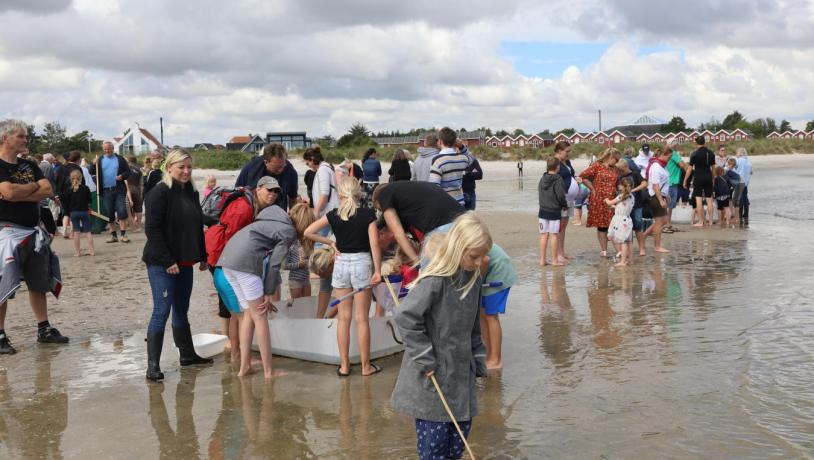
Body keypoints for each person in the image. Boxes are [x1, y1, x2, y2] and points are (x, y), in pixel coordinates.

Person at [390, 212, 489, 460]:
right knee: (434, 448)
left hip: (460, 376)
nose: (479, 263)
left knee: (458, 440)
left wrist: (478, 360)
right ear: (458, 249)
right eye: (474, 256)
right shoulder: (435, 280)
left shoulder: (473, 280)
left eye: (482, 256)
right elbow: (406, 318)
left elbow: (474, 327)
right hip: (432, 377)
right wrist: (425, 357)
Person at [217, 177, 300, 378]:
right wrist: (268, 293)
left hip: (227, 262)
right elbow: (273, 264)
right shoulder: (288, 231)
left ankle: (244, 366)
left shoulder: (263, 221)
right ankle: (269, 371)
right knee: (260, 316)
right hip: (244, 265)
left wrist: (264, 292)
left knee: (248, 315)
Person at [142, 149, 212, 382]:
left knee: (182, 309)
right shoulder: (159, 193)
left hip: (185, 262)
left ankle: (187, 355)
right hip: (162, 263)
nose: (186, 171)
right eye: (181, 167)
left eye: (189, 167)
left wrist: (202, 255)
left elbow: (196, 224)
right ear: (169, 167)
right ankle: (153, 366)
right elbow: (152, 229)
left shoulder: (191, 192)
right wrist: (167, 260)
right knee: (161, 310)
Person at [0, 119, 68, 354]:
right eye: (20, 136)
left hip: (32, 230)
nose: (25, 140)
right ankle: (0, 335)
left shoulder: (29, 165)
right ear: (5, 138)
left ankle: (44, 328)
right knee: (3, 283)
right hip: (5, 232)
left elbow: (47, 190)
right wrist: (30, 189)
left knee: (38, 282)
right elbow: (7, 193)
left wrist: (18, 192)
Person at [305, 177, 382, 377]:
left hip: (341, 263)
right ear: (359, 194)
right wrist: (378, 270)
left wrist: (329, 243)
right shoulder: (368, 214)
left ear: (339, 194)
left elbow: (308, 232)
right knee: (362, 319)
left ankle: (344, 366)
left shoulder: (334, 214)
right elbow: (374, 244)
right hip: (361, 263)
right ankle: (366, 367)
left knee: (343, 318)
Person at [205, 176, 281, 360]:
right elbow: (234, 240)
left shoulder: (251, 204)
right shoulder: (244, 208)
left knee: (235, 313)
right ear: (259, 188)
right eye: (269, 190)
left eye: (276, 191)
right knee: (242, 315)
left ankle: (236, 355)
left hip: (222, 260)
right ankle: (240, 356)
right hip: (224, 260)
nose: (272, 194)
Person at [372, 181, 464, 264]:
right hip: (464, 220)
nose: (384, 213)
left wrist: (417, 262)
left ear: (378, 201)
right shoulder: (409, 192)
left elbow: (399, 234)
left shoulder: (384, 194)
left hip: (442, 226)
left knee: (428, 269)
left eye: (381, 209)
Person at [303, 145, 339, 319]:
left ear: (312, 159)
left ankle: (318, 268)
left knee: (320, 242)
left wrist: (316, 212)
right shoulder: (328, 168)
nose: (308, 165)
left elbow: (324, 194)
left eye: (307, 162)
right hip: (329, 211)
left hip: (326, 212)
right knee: (324, 242)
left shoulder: (323, 170)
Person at [479, 244, 516, 370]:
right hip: (486, 270)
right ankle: (488, 354)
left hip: (498, 270)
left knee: (490, 315)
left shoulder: (459, 240)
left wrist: (476, 282)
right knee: (481, 314)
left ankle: (496, 360)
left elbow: (485, 260)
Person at [580, 147, 621, 257]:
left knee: (612, 224)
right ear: (611, 157)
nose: (617, 162)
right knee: (602, 226)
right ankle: (604, 251)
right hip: (598, 199)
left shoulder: (615, 169)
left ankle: (619, 251)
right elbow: (583, 176)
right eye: (616, 160)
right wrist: (592, 189)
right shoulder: (597, 165)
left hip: (611, 200)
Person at [234, 143, 298, 210]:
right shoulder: (251, 168)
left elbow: (293, 198)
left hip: (278, 212)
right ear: (266, 162)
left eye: (283, 165)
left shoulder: (290, 171)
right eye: (277, 167)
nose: (280, 170)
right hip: (253, 212)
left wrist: (292, 218)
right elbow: (237, 192)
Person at [428, 127, 475, 206]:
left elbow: (434, 187)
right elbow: (472, 159)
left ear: (440, 141)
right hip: (459, 203)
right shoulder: (462, 158)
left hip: (445, 205)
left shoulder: (437, 160)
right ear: (454, 142)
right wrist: (461, 147)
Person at [97, 141, 131, 243]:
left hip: (119, 189)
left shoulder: (120, 159)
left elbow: (128, 172)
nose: (107, 151)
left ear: (113, 149)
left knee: (121, 210)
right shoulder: (99, 160)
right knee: (110, 213)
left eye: (109, 149)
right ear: (103, 150)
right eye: (105, 149)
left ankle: (124, 235)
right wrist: (93, 164)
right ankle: (113, 236)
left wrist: (122, 176)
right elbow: (91, 171)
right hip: (106, 190)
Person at [553, 141, 580, 263]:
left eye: (570, 151)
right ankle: (558, 254)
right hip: (561, 199)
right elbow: (552, 179)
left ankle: (562, 251)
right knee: (559, 227)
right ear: (559, 151)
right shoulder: (554, 162)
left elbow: (569, 176)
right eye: (567, 151)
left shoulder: (567, 162)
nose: (569, 154)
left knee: (564, 227)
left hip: (570, 199)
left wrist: (576, 179)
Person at [615, 160, 648, 256]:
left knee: (638, 226)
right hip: (625, 206)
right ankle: (629, 250)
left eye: (621, 170)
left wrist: (632, 190)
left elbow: (644, 184)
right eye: (619, 170)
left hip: (637, 204)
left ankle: (642, 248)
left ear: (625, 167)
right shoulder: (620, 176)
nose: (620, 172)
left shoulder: (635, 174)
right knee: (626, 228)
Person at [538, 156, 567, 266]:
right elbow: (560, 195)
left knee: (543, 235)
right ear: (557, 167)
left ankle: (542, 260)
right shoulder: (558, 179)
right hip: (554, 210)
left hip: (543, 210)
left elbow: (540, 192)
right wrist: (564, 205)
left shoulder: (542, 178)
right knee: (554, 235)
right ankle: (554, 260)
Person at [642, 147, 672, 253]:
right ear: (663, 154)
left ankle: (644, 236)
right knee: (659, 222)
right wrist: (660, 200)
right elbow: (655, 185)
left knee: (663, 220)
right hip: (655, 196)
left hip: (660, 195)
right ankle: (657, 246)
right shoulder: (656, 166)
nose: (670, 159)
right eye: (669, 156)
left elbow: (664, 183)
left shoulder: (661, 166)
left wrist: (666, 195)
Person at [285, 203, 316, 299]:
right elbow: (284, 265)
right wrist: (299, 264)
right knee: (297, 304)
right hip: (295, 279)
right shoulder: (290, 243)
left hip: (305, 278)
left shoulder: (306, 241)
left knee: (307, 302)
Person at [63, 170, 95, 257]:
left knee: (76, 232)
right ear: (81, 178)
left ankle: (78, 252)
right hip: (84, 211)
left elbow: (67, 202)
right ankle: (91, 251)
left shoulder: (69, 190)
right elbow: (89, 201)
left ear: (71, 178)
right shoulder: (86, 188)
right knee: (88, 232)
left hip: (74, 212)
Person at [686, 136, 715, 227]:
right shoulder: (711, 153)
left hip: (698, 177)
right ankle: (710, 221)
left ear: (696, 143)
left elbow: (690, 169)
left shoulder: (694, 154)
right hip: (708, 176)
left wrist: (685, 179)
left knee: (698, 199)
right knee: (709, 199)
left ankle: (701, 221)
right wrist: (713, 179)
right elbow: (713, 168)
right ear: (704, 142)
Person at [605, 177, 635, 266]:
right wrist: (615, 207)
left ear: (622, 186)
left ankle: (623, 261)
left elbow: (609, 202)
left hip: (620, 221)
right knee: (629, 241)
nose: (618, 186)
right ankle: (630, 259)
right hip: (627, 219)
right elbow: (624, 207)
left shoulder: (621, 196)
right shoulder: (632, 196)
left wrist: (606, 199)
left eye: (619, 184)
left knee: (623, 241)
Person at [55, 151, 85, 238]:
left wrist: (57, 193)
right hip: (73, 193)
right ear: (78, 159)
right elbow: (82, 182)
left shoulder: (61, 168)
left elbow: (56, 181)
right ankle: (72, 233)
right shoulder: (77, 169)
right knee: (72, 213)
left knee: (66, 213)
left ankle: (64, 231)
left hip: (61, 193)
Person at [665, 144, 688, 232]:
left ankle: (668, 223)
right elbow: (682, 165)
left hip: (668, 181)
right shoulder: (674, 154)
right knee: (669, 204)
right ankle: (668, 224)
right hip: (671, 182)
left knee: (669, 204)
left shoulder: (667, 153)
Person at [126, 156, 144, 232]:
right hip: (136, 189)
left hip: (126, 189)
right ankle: (139, 225)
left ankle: (131, 226)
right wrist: (141, 194)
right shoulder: (139, 171)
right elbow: (141, 184)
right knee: (138, 208)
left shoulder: (124, 169)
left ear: (128, 161)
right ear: (135, 162)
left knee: (128, 208)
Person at [735, 147, 752, 224]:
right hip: (746, 182)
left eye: (737, 152)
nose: (736, 154)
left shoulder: (739, 160)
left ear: (740, 153)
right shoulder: (748, 161)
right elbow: (751, 172)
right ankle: (746, 215)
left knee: (740, 198)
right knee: (745, 197)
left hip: (740, 181)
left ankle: (740, 216)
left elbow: (733, 169)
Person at [725, 158, 742, 224]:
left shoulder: (728, 171)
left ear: (730, 164)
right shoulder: (735, 170)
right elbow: (740, 178)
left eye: (728, 164)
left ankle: (733, 218)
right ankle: (734, 217)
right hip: (735, 187)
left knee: (732, 202)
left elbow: (726, 179)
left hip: (732, 188)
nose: (727, 165)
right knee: (732, 202)